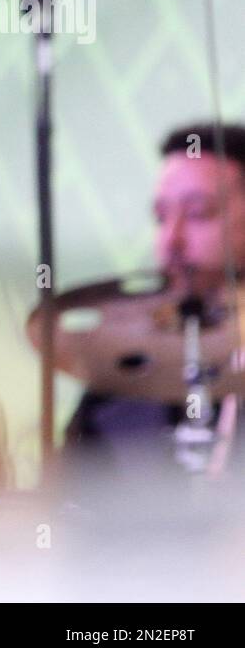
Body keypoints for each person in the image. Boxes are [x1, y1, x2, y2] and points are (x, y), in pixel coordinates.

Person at [62, 121, 245, 477]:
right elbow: (71, 511)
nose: (170, 241)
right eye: (161, 217)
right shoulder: (121, 380)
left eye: (197, 213)